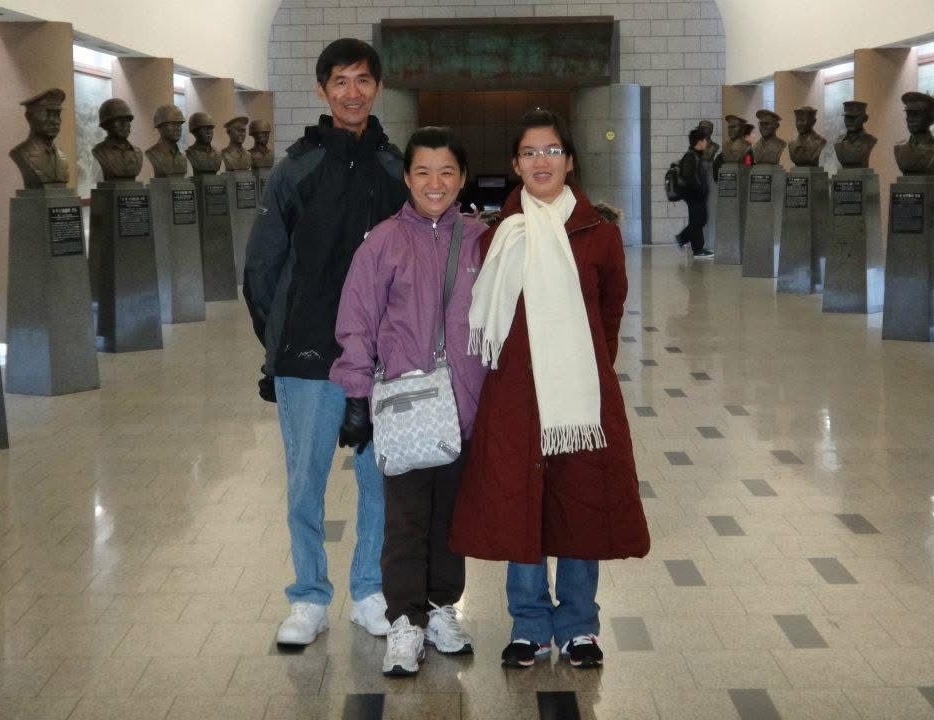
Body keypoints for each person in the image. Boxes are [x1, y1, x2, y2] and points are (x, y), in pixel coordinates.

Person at [449, 109, 651, 670]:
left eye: (552, 150)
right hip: (514, 395)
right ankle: (530, 624)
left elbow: (610, 312)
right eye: (530, 153)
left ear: (570, 161)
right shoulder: (498, 237)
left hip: (580, 395)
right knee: (523, 504)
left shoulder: (598, 235)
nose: (542, 161)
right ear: (515, 165)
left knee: (581, 502)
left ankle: (580, 624)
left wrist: (581, 375)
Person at [243, 38, 409, 648]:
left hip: (383, 360)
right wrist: (284, 343)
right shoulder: (295, 169)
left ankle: (369, 590)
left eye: (363, 80)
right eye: (340, 81)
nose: (352, 93)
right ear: (322, 90)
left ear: (378, 88)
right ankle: (309, 596)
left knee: (378, 482)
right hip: (308, 358)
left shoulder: (396, 169)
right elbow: (261, 269)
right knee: (305, 483)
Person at [330, 127, 488, 676]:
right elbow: (356, 322)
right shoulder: (383, 243)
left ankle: (442, 609)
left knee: (451, 517)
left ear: (462, 178)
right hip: (406, 408)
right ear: (406, 177)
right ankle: (404, 620)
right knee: (405, 519)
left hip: (465, 406)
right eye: (423, 171)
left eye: (446, 172)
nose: (434, 183)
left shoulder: (480, 241)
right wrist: (355, 393)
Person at [675, 127, 713, 259]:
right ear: (700, 142)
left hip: (697, 196)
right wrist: (699, 190)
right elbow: (688, 178)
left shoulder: (696, 155)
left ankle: (698, 248)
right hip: (694, 196)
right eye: (705, 140)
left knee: (698, 221)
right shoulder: (690, 156)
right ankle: (683, 239)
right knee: (698, 221)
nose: (706, 143)